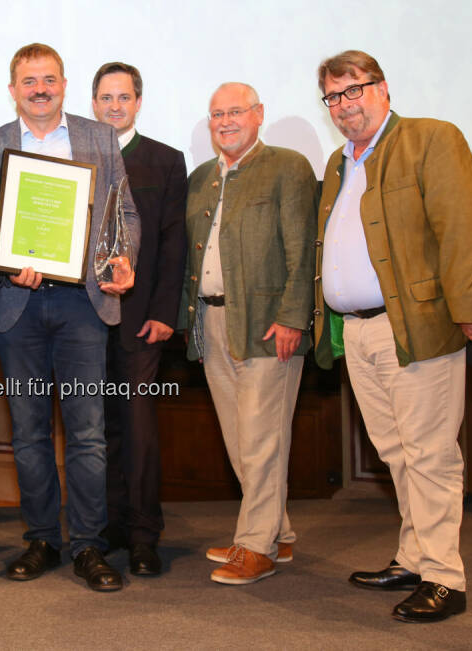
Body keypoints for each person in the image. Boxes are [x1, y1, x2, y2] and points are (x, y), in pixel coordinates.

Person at [314, 50, 472, 622]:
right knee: (396, 453)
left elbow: (465, 226)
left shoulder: (430, 140)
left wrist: (468, 308)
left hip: (415, 326)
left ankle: (446, 576)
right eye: (333, 97)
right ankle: (414, 558)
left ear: (383, 89)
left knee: (430, 454)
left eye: (355, 91)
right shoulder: (337, 163)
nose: (345, 106)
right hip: (358, 332)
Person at [0, 43, 139, 592]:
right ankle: (43, 537)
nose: (40, 89)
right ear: (13, 88)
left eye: (49, 79)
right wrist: (2, 267)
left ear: (65, 84)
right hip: (17, 304)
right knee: (27, 433)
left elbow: (124, 212)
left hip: (82, 305)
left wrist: (124, 258)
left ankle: (89, 545)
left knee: (88, 433)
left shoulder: (99, 138)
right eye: (29, 81)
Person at [179, 82, 317, 585]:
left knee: (262, 437)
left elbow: (304, 248)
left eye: (235, 111)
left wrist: (293, 317)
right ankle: (275, 533)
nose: (225, 121)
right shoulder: (201, 179)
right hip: (212, 324)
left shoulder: (288, 167)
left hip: (268, 326)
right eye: (217, 114)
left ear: (259, 114)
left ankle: (255, 545)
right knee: (242, 439)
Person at [91, 62, 187, 576]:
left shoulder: (165, 160)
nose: (114, 106)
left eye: (123, 97)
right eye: (105, 97)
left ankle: (145, 534)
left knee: (139, 426)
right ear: (93, 103)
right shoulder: (77, 158)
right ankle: (109, 527)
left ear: (138, 102)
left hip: (140, 322)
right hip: (85, 321)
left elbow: (173, 244)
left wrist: (164, 313)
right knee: (97, 431)